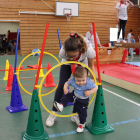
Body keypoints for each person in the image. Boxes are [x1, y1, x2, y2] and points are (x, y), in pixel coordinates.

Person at [46, 32, 96, 127]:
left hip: (83, 61)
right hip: (67, 62)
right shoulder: (63, 52)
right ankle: (53, 112)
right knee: (61, 85)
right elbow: (71, 62)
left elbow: (91, 65)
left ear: (81, 49)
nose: (72, 57)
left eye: (74, 55)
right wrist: (70, 80)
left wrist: (93, 79)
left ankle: (75, 114)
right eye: (70, 55)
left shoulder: (88, 50)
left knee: (81, 86)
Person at [53, 66, 98, 133]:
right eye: (78, 81)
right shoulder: (72, 80)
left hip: (83, 100)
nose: (81, 82)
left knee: (82, 113)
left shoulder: (89, 82)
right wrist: (65, 88)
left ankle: (81, 124)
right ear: (74, 78)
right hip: (74, 95)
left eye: (83, 80)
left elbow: (96, 87)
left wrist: (89, 92)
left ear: (86, 76)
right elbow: (66, 83)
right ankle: (61, 105)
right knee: (66, 97)